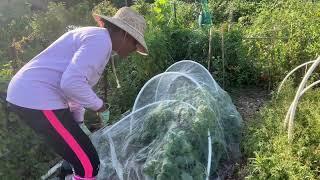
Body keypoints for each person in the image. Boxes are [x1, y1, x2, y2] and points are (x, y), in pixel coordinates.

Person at [6, 7, 148, 180]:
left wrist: (79, 121)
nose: (135, 49)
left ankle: (65, 174)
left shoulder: (99, 39)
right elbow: (71, 83)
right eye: (135, 43)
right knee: (88, 164)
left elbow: (77, 85)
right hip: (38, 96)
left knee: (78, 154)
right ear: (125, 35)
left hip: (33, 94)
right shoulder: (100, 42)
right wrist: (100, 106)